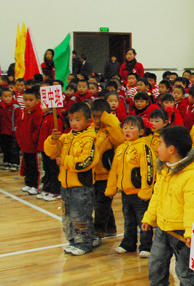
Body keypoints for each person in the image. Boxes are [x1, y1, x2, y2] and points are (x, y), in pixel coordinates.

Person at [141, 126, 194, 286]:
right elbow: (157, 197)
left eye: (160, 144)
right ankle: (158, 284)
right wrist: (149, 217)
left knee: (185, 270)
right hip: (163, 227)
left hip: (181, 233)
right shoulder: (165, 170)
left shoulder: (193, 175)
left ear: (171, 149)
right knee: (156, 261)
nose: (157, 148)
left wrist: (191, 232)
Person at [44, 102, 100, 255]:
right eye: (71, 119)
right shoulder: (66, 137)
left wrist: (65, 161)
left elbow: (86, 161)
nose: (73, 123)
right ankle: (73, 240)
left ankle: (84, 243)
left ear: (88, 121)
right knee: (67, 215)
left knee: (80, 216)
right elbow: (51, 152)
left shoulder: (89, 139)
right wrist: (52, 140)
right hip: (66, 185)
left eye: (77, 119)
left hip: (81, 186)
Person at [106, 115, 156, 257]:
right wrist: (111, 188)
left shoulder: (144, 147)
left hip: (140, 193)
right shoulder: (121, 148)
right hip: (125, 193)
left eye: (132, 128)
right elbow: (114, 170)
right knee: (128, 220)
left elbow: (149, 170)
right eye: (125, 127)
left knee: (143, 221)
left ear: (141, 131)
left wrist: (146, 191)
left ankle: (146, 246)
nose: (127, 131)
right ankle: (128, 244)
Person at [89, 99, 125, 244]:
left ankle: (98, 232)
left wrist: (108, 118)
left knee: (101, 204)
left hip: (107, 174)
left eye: (100, 117)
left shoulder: (111, 129)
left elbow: (120, 140)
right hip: (93, 174)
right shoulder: (91, 129)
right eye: (94, 116)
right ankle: (110, 228)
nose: (97, 120)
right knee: (101, 203)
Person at [0, 87, 23, 171]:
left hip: (13, 131)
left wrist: (16, 128)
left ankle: (15, 163)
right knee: (5, 147)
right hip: (3, 131)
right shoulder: (0, 108)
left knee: (14, 148)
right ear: (1, 97)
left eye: (9, 96)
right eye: (5, 96)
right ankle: (7, 161)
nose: (8, 98)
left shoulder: (16, 107)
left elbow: (19, 119)